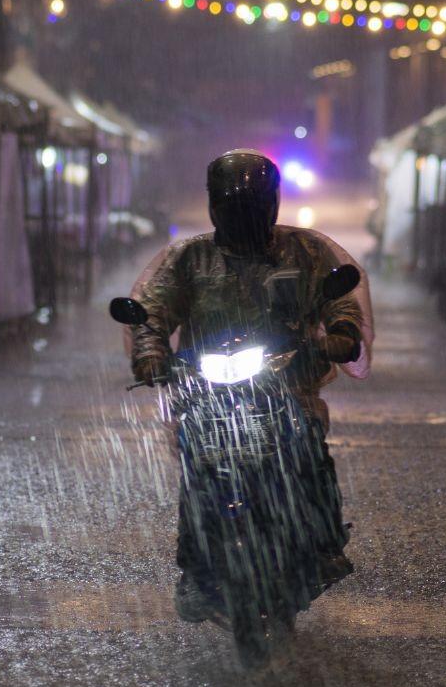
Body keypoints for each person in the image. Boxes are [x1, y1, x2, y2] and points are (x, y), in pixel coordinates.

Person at [128, 149, 372, 622]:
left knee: (309, 449)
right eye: (232, 205)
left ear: (271, 204)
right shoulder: (189, 258)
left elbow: (339, 302)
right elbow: (153, 310)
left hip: (288, 385)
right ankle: (197, 568)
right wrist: (151, 350)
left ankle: (323, 545)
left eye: (251, 205)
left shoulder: (307, 252)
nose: (242, 216)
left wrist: (340, 336)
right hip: (207, 389)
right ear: (215, 206)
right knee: (198, 465)